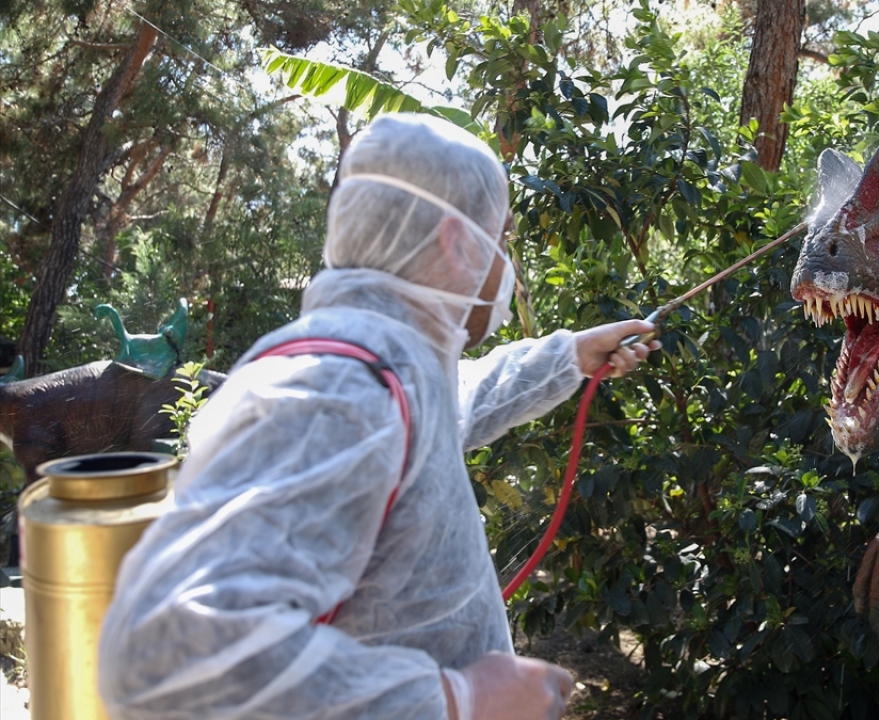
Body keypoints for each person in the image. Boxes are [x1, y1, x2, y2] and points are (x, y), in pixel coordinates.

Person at [98, 113, 661, 720]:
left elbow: (460, 401)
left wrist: (570, 354)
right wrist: (460, 699)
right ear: (457, 242)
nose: (507, 267)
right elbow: (166, 652)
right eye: (500, 241)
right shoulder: (337, 389)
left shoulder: (393, 365)